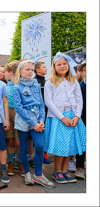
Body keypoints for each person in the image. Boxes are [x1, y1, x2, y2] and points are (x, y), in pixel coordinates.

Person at [44, 52, 86, 184]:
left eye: (64, 64)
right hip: (58, 118)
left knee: (70, 145)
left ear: (68, 65)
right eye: (59, 64)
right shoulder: (50, 82)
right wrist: (62, 117)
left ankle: (65, 170)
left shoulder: (74, 81)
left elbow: (79, 100)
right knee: (60, 146)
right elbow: (48, 102)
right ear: (54, 67)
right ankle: (57, 171)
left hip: (73, 117)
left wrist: (77, 116)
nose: (62, 66)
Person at [13, 60, 55, 188]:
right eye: (27, 69)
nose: (30, 72)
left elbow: (41, 104)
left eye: (32, 69)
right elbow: (19, 108)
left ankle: (38, 174)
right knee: (24, 148)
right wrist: (33, 123)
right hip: (23, 122)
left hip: (37, 121)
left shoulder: (36, 86)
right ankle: (27, 173)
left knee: (40, 146)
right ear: (20, 72)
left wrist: (41, 120)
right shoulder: (17, 88)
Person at [4, 60, 25, 177]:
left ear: (11, 72)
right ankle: (10, 163)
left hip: (19, 113)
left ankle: (21, 163)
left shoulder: (20, 84)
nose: (3, 74)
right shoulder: (7, 85)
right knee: (10, 140)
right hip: (8, 112)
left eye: (6, 71)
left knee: (18, 141)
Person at [33, 61, 50, 164]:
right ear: (37, 70)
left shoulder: (47, 81)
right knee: (38, 132)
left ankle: (45, 152)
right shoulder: (34, 81)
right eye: (44, 67)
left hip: (47, 110)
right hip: (37, 111)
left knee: (46, 131)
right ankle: (38, 154)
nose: (46, 69)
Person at [74, 60, 86, 179]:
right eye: (86, 70)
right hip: (83, 118)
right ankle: (79, 168)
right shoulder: (80, 86)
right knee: (82, 143)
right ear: (82, 73)